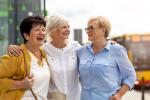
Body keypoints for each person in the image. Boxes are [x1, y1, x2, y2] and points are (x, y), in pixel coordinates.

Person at [7, 15, 81, 100]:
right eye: (64, 27)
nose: (68, 30)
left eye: (68, 27)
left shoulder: (76, 47)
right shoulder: (43, 49)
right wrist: (11, 47)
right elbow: (28, 49)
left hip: (75, 97)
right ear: (53, 30)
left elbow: (91, 54)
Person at [77, 16, 136, 100]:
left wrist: (119, 95)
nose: (88, 31)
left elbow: (130, 75)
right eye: (87, 29)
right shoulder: (81, 51)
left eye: (91, 28)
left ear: (103, 30)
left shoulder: (117, 50)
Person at [0, 16, 50, 100]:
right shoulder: (16, 55)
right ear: (26, 36)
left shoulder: (44, 53)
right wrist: (19, 84)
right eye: (37, 30)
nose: (41, 32)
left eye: (43, 29)